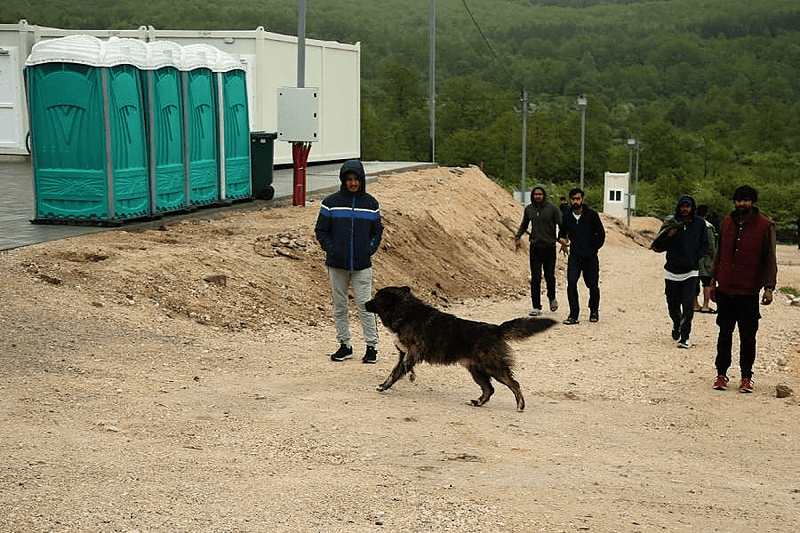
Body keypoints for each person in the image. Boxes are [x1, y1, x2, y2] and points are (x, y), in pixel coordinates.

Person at [315, 160, 383, 363]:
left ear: (361, 180)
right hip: (337, 265)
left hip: (362, 265)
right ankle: (344, 345)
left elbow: (377, 231)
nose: (353, 183)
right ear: (343, 181)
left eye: (356, 179)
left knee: (366, 305)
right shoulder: (330, 203)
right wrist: (331, 249)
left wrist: (369, 250)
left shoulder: (371, 204)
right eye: (349, 179)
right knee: (340, 305)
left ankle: (372, 347)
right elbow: (321, 230)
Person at [710, 185, 777, 393]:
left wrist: (769, 288)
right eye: (739, 200)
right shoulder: (727, 222)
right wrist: (712, 281)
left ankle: (746, 377)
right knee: (724, 333)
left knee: (748, 336)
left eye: (746, 200)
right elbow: (719, 253)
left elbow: (770, 258)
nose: (742, 204)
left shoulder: (765, 226)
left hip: (749, 290)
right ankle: (721, 374)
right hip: (726, 288)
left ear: (753, 203)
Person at [651, 196, 709, 348]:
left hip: (691, 271)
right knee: (672, 305)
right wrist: (669, 235)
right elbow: (658, 246)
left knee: (688, 305)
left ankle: (685, 337)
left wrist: (696, 258)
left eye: (687, 206)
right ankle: (677, 323)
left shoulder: (699, 224)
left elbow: (705, 244)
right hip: (672, 271)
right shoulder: (671, 222)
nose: (685, 209)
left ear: (692, 207)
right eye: (682, 206)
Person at [557, 188, 605, 324]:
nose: (575, 201)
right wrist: (562, 240)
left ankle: (594, 310)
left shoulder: (592, 215)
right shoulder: (567, 216)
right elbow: (562, 233)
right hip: (574, 256)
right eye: (573, 199)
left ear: (582, 200)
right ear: (570, 200)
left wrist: (593, 248)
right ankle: (573, 314)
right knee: (571, 283)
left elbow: (601, 235)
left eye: (578, 198)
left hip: (590, 257)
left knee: (593, 285)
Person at [514, 184, 562, 316]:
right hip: (535, 247)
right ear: (532, 196)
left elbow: (562, 224)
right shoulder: (529, 209)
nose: (538, 196)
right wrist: (518, 235)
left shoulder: (553, 209)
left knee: (549, 276)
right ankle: (536, 306)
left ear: (544, 195)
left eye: (540, 194)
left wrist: (563, 238)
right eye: (536, 194)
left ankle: (551, 297)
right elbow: (524, 224)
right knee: (535, 277)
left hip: (549, 247)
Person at [694, 204, 717, 313]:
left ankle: (695, 304)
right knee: (707, 282)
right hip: (705, 258)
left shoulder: (691, 225)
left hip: (693, 258)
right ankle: (705, 305)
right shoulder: (708, 227)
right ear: (706, 214)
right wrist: (714, 258)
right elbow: (711, 245)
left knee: (694, 282)